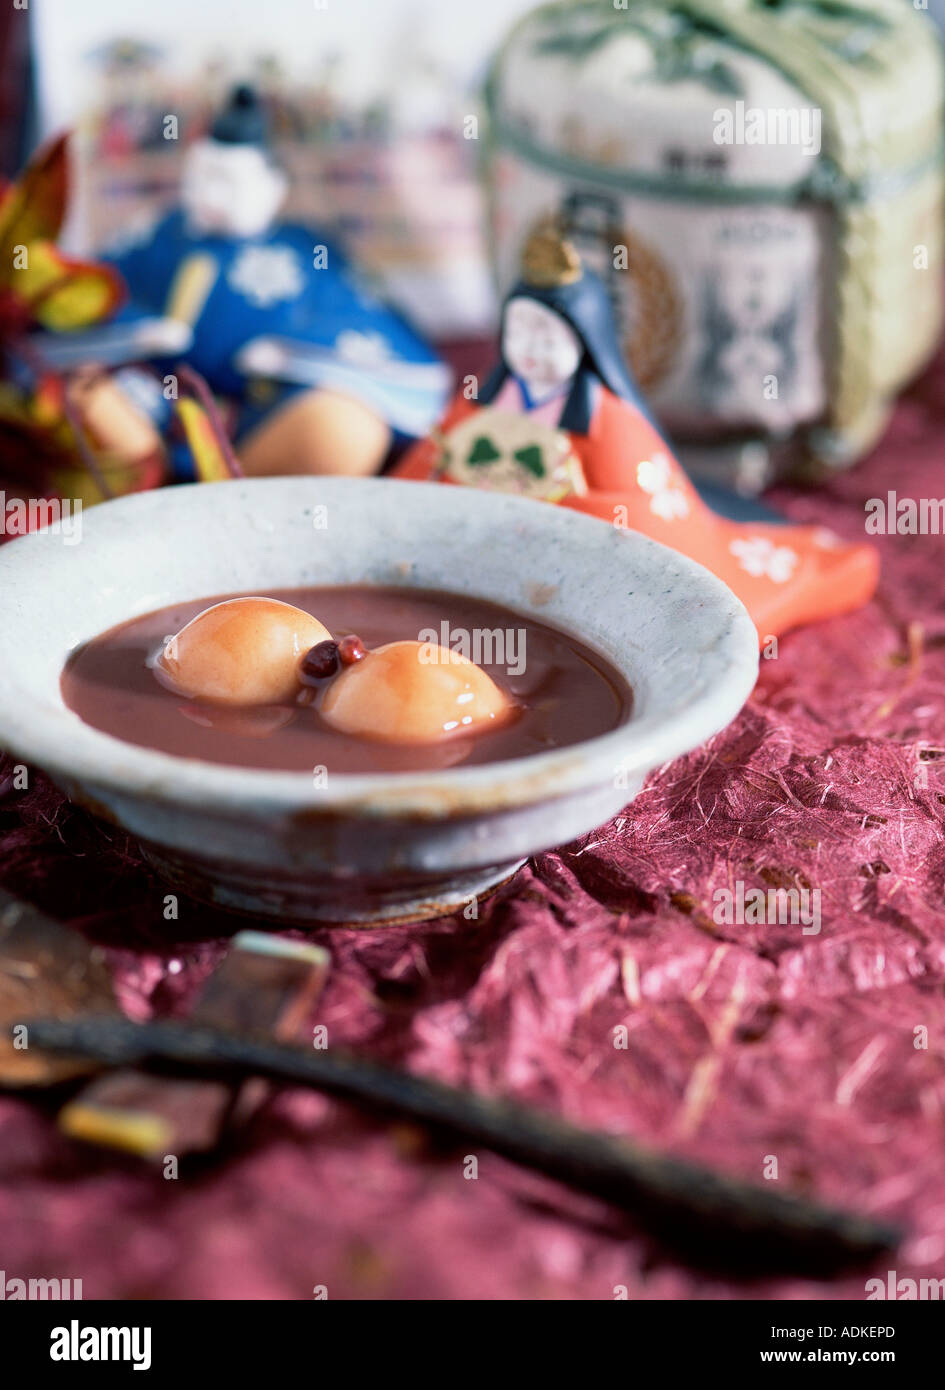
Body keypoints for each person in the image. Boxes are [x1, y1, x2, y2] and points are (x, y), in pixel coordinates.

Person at [394, 226, 878, 640]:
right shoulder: (482, 400)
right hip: (471, 548)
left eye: (548, 336)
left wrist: (560, 497)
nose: (532, 350)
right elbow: (423, 471)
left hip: (569, 564)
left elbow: (638, 514)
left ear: (584, 340)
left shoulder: (608, 420)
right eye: (522, 332)